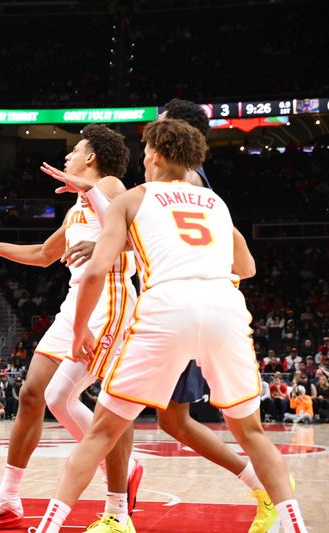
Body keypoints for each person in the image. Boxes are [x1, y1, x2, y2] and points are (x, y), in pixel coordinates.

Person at [33, 118, 306, 533]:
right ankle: (295, 524)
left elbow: (94, 273)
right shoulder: (214, 202)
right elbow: (246, 266)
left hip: (167, 307)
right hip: (223, 307)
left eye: (144, 153)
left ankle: (52, 526)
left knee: (103, 431)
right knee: (250, 431)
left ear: (156, 155)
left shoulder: (134, 198)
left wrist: (78, 331)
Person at [0, 124, 140, 532]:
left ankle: (118, 499)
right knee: (36, 392)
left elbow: (136, 235)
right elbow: (42, 254)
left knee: (107, 405)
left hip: (110, 301)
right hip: (76, 303)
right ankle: (8, 497)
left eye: (76, 150)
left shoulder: (111, 184)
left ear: (91, 157)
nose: (68, 156)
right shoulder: (76, 208)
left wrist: (97, 215)